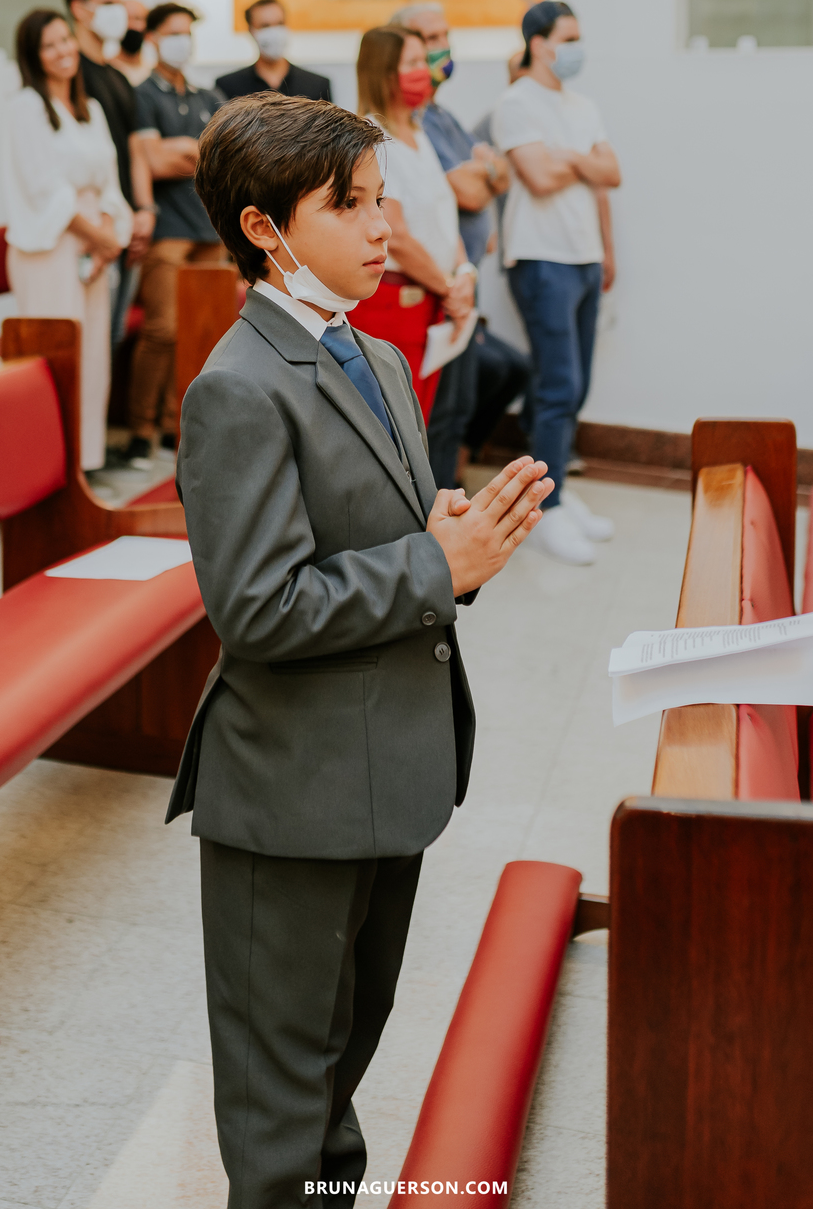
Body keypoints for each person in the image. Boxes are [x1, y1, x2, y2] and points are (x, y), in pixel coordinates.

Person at [166, 92, 553, 1202]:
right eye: (354, 206)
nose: (385, 228)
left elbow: (373, 541)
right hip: (291, 791)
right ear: (264, 229)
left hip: (388, 768)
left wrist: (448, 536)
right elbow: (260, 607)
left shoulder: (377, 359)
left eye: (384, 200)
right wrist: (442, 566)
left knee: (341, 1074)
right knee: (283, 1103)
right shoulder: (236, 390)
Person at [492, 0, 622, 566]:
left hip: (585, 257)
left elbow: (610, 175)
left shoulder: (583, 105)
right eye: (567, 38)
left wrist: (607, 252)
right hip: (541, 259)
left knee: (578, 383)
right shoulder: (516, 103)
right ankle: (545, 510)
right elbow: (540, 180)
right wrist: (579, 161)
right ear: (539, 43)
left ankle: (561, 499)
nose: (576, 48)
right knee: (557, 386)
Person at [389, 2, 514, 487]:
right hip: (426, 287)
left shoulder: (436, 120)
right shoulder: (384, 132)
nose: (438, 51)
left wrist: (488, 172)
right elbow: (465, 191)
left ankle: (446, 506)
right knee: (426, 413)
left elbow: (492, 179)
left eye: (444, 36)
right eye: (425, 43)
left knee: (455, 408)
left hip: (458, 281)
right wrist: (486, 171)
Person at [4, 10, 132, 479]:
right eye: (50, 45)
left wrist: (111, 235)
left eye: (67, 41)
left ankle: (85, 461)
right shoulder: (26, 107)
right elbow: (43, 186)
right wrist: (98, 237)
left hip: (93, 246)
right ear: (34, 57)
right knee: (57, 356)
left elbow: (110, 182)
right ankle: (44, 465)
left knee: (94, 352)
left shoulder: (90, 108)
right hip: (51, 247)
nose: (64, 51)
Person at [350, 25, 475, 422]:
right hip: (395, 298)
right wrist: (450, 287)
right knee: (393, 420)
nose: (426, 70)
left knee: (421, 418)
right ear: (386, 71)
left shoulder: (419, 134)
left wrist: (464, 273)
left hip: (433, 294)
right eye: (414, 62)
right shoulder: (373, 137)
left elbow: (443, 215)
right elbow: (397, 236)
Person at [124, 3, 228, 469]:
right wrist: (182, 152)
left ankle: (178, 427)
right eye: (173, 33)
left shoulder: (210, 96)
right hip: (167, 227)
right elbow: (150, 160)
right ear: (152, 38)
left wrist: (184, 150)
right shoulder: (143, 93)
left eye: (188, 33)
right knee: (163, 330)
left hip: (210, 228)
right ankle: (140, 430)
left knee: (204, 333)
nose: (182, 41)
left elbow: (224, 159)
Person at [63, 0, 157, 346]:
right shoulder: (71, 77)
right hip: (92, 225)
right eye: (108, 3)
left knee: (114, 336)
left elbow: (134, 149)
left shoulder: (117, 76)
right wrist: (102, 223)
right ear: (80, 9)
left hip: (126, 220)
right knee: (90, 336)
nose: (118, 12)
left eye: (119, 2)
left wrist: (144, 210)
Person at [213, 0, 334, 103]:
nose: (274, 32)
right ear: (251, 31)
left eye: (280, 23)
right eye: (265, 26)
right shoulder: (228, 87)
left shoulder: (317, 85)